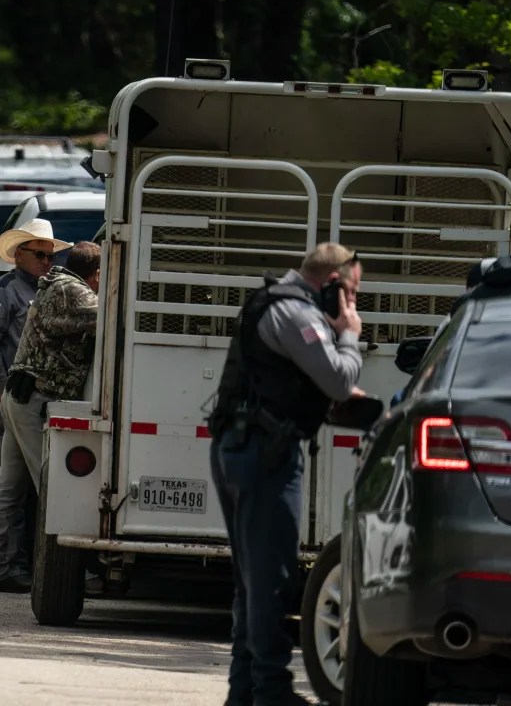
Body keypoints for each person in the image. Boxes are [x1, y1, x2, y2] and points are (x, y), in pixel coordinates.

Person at [206, 243, 365, 706]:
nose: (354, 304)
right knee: (270, 579)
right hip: (264, 456)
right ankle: (272, 691)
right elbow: (336, 379)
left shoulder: (275, 302)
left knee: (251, 581)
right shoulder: (298, 314)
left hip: (243, 447)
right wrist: (349, 334)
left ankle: (245, 692)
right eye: (352, 293)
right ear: (332, 285)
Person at [0, 242, 101, 593]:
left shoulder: (56, 286)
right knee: (53, 488)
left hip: (24, 396)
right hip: (36, 398)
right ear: (94, 274)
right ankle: (68, 573)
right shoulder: (70, 290)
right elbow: (113, 314)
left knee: (7, 487)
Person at [0, 219, 72, 481]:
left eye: (51, 255)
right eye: (39, 254)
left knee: (19, 484)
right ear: (18, 255)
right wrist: (2, 389)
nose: (46, 261)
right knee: (2, 478)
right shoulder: (2, 291)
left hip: (31, 401)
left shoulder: (47, 291)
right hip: (5, 397)